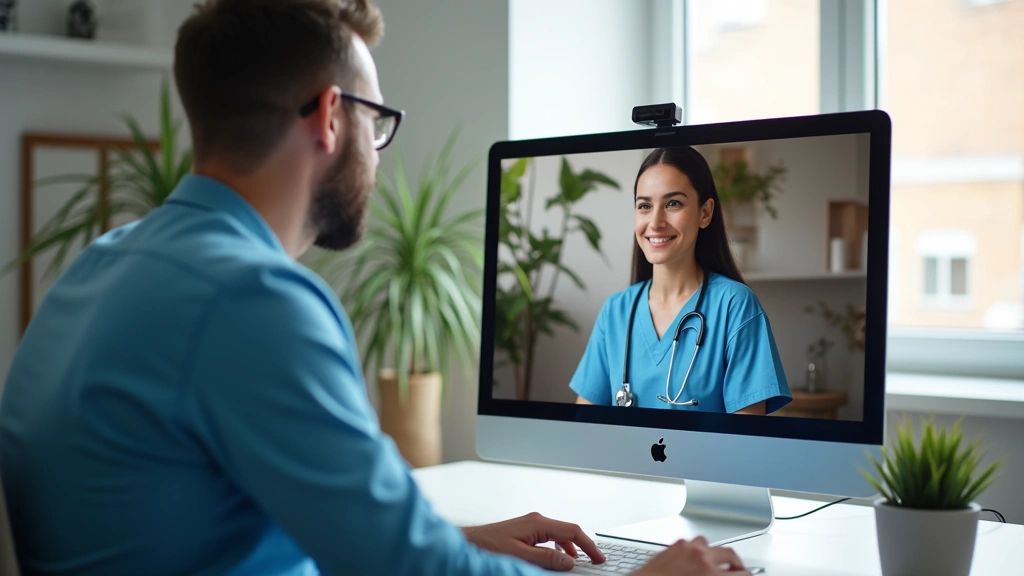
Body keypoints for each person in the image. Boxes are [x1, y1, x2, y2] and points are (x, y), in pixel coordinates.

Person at [0, 1, 752, 575]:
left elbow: (229, 519)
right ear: (332, 116)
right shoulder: (250, 298)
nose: (380, 151)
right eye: (377, 121)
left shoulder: (100, 267)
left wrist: (455, 540)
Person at [571, 147, 791, 414]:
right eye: (644, 206)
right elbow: (586, 426)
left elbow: (745, 442)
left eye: (673, 203)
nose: (655, 222)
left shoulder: (735, 305)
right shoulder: (616, 311)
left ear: (705, 212)